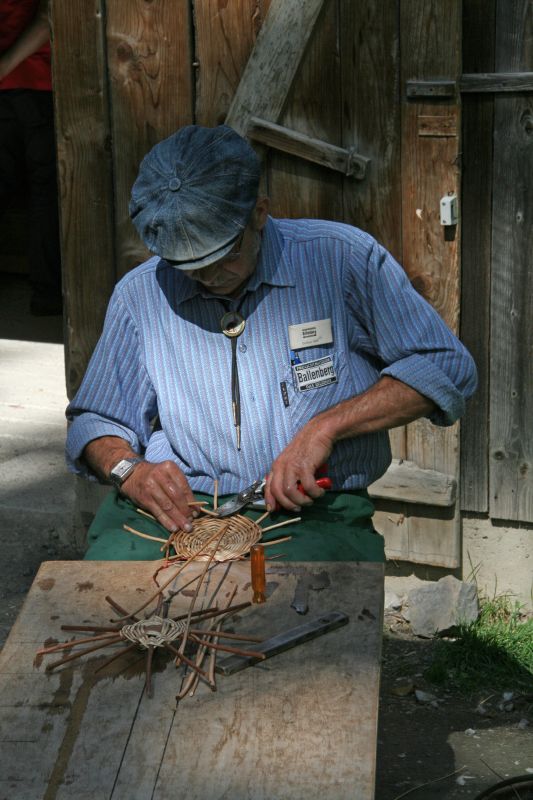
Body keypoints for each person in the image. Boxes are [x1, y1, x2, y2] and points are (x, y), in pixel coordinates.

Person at [66, 124, 477, 561]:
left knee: (310, 612)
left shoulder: (342, 259)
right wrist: (131, 470)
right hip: (179, 509)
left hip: (312, 509)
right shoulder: (141, 293)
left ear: (259, 213)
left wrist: (326, 427)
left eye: (224, 256)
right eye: (187, 266)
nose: (207, 278)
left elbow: (446, 366)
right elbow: (95, 418)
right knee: (111, 603)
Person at [0, 0, 62, 315]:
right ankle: (47, 294)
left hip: (8, 90)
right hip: (38, 84)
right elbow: (48, 19)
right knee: (46, 194)